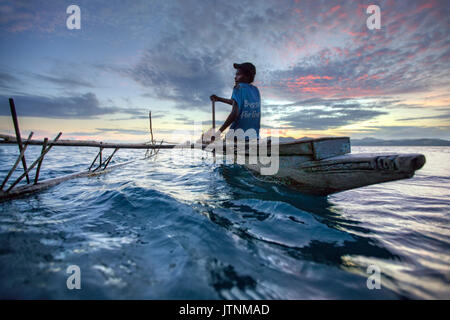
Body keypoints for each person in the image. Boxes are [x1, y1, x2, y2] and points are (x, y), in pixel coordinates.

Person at [205, 62, 261, 142]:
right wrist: (219, 99)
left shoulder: (238, 88)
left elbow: (235, 113)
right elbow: (239, 104)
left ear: (247, 76)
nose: (235, 77)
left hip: (236, 137)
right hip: (254, 137)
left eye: (238, 74)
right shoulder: (255, 90)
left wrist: (218, 132)